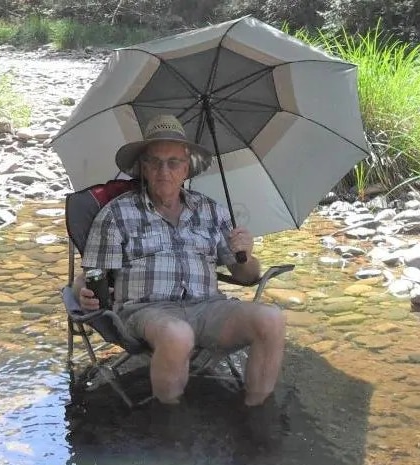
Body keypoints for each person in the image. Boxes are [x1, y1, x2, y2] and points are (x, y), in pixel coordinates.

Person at [74, 114, 286, 412]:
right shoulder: (117, 214)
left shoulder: (212, 211)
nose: (164, 170)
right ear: (143, 167)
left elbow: (248, 276)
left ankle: (256, 416)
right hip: (147, 311)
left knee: (272, 319)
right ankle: (171, 426)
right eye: (155, 162)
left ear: (186, 168)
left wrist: (247, 255)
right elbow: (88, 276)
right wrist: (81, 291)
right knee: (177, 335)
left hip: (209, 307)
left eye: (174, 162)